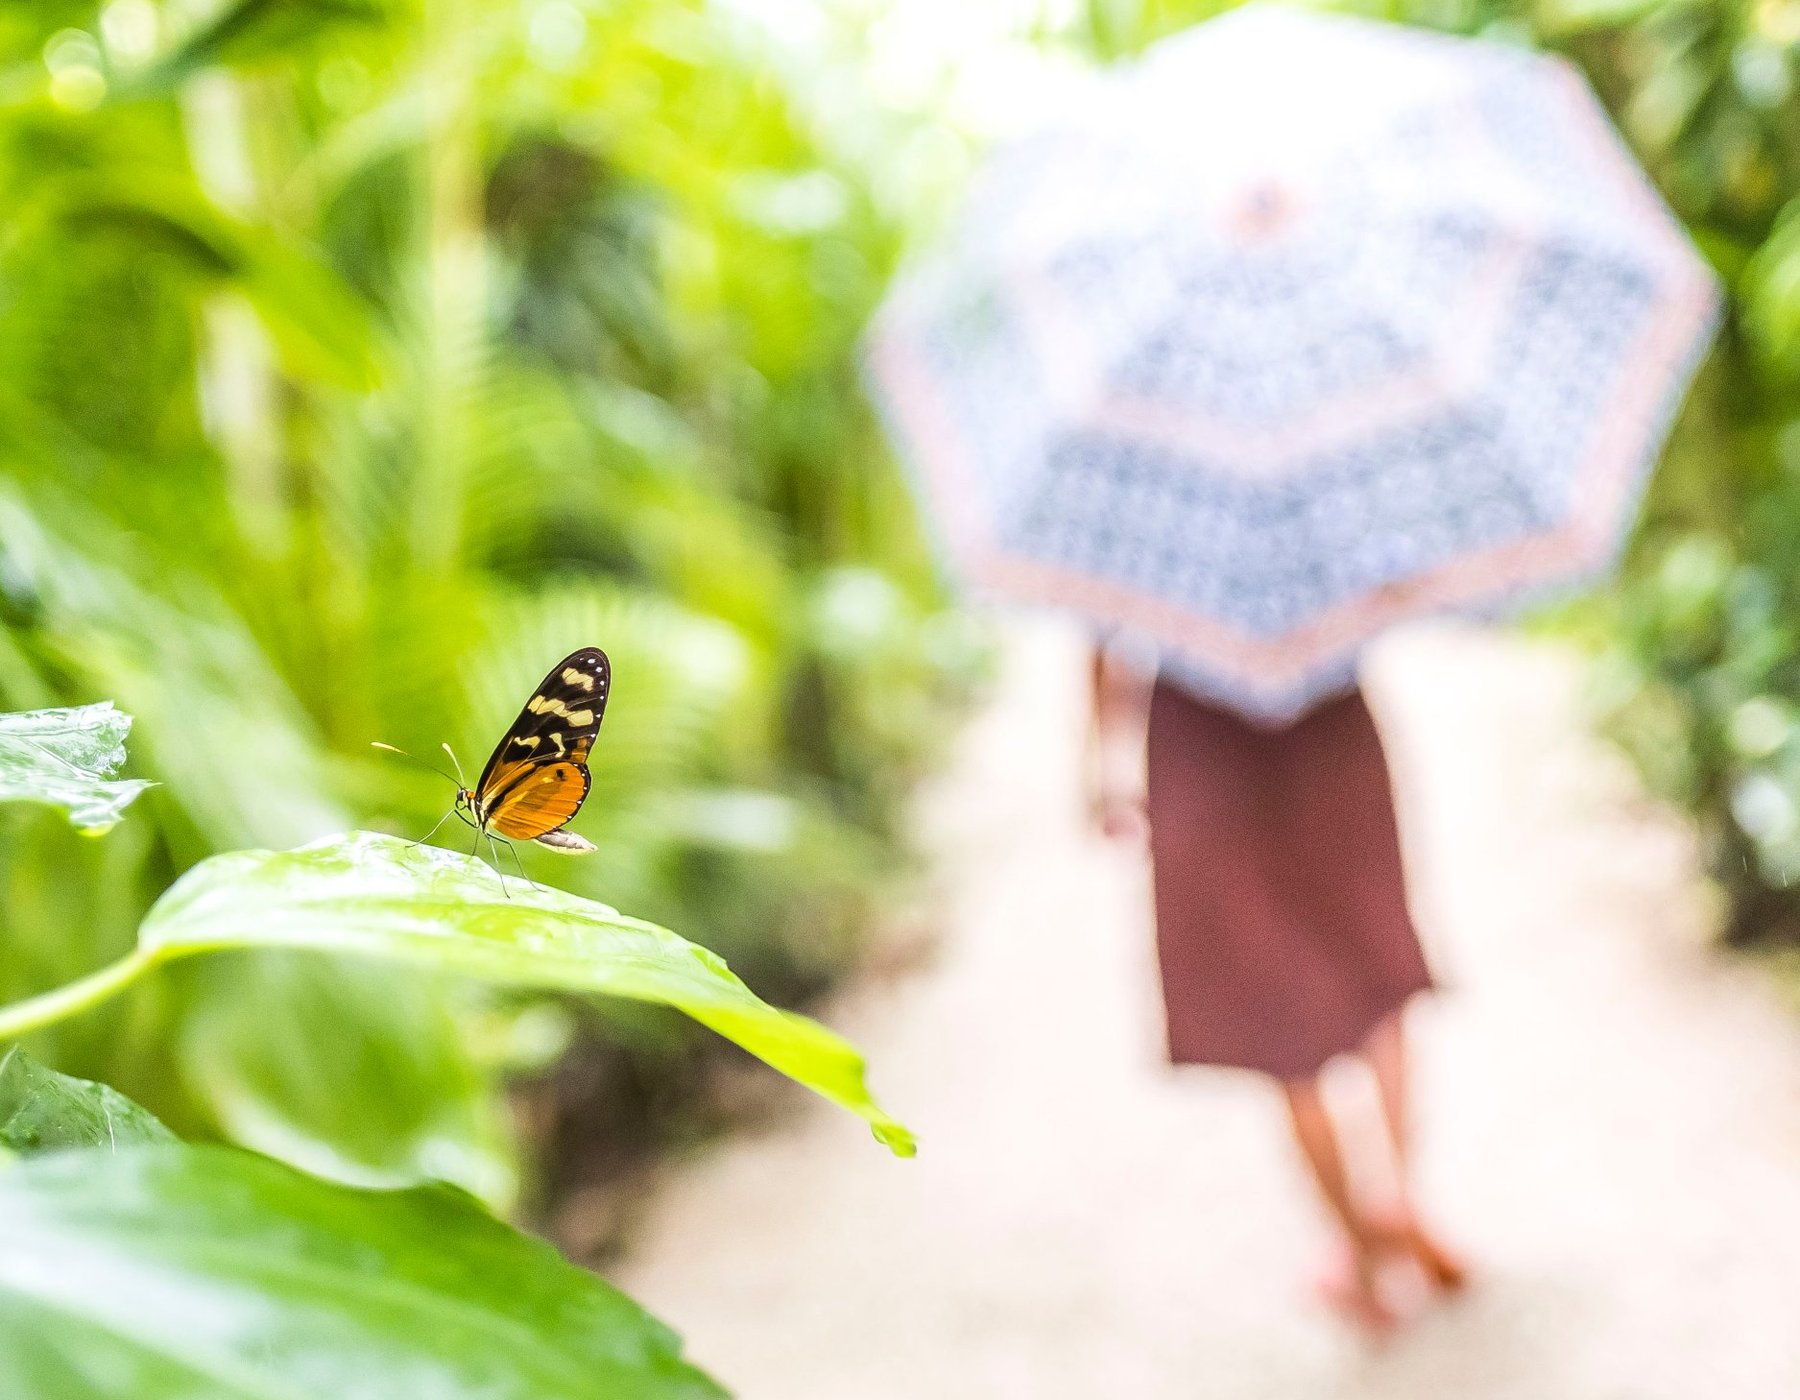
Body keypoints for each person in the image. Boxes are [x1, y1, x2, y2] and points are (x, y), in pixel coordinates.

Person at [1089, 646, 1467, 1336]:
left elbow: (1107, 641)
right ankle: (1396, 1199)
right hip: (1328, 719)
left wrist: (1099, 756)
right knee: (1375, 977)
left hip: (1201, 751)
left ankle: (1356, 1245)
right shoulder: (1319, 544)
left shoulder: (1145, 548)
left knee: (1279, 1018)